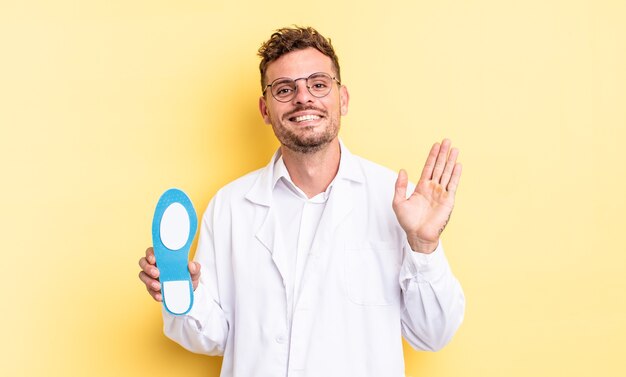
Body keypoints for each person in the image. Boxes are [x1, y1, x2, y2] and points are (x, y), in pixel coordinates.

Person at [139, 26, 465, 377]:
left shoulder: (396, 200)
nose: (303, 98)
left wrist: (423, 246)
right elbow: (214, 337)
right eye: (284, 89)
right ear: (265, 110)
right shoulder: (230, 207)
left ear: (343, 99)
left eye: (319, 84)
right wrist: (186, 297)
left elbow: (433, 334)